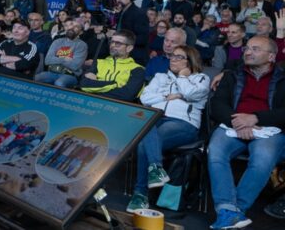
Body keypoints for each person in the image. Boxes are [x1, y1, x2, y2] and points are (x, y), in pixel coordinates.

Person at [207, 36, 285, 230]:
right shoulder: (233, 74)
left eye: (256, 49)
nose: (248, 52)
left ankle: (234, 211)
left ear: (271, 57)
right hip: (234, 122)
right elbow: (217, 105)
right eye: (247, 48)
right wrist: (240, 122)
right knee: (215, 152)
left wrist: (256, 118)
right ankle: (228, 210)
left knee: (263, 159)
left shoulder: (283, 78)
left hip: (268, 128)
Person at [126, 46, 210, 212]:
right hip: (156, 120)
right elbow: (145, 98)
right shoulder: (160, 77)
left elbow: (191, 94)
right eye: (172, 56)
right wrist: (167, 96)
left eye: (179, 57)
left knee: (145, 138)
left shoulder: (201, 78)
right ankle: (156, 170)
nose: (173, 59)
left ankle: (140, 194)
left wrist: (183, 77)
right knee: (147, 130)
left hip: (183, 124)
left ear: (190, 60)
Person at [79, 29, 145, 102]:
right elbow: (84, 85)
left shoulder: (138, 69)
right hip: (92, 105)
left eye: (118, 43)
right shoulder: (98, 62)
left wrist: (96, 85)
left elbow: (127, 95)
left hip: (117, 110)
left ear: (129, 48)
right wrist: (114, 84)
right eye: (112, 42)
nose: (113, 45)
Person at [35, 19, 87, 88]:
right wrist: (64, 59)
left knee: (59, 83)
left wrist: (56, 59)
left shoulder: (82, 45)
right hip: (52, 72)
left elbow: (75, 65)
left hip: (70, 75)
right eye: (69, 25)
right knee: (36, 78)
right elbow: (47, 61)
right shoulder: (57, 41)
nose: (71, 28)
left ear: (80, 32)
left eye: (76, 27)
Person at [112, 0, 150, 65]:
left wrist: (121, 39)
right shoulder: (121, 12)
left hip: (135, 58)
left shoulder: (139, 13)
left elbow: (142, 39)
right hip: (123, 55)